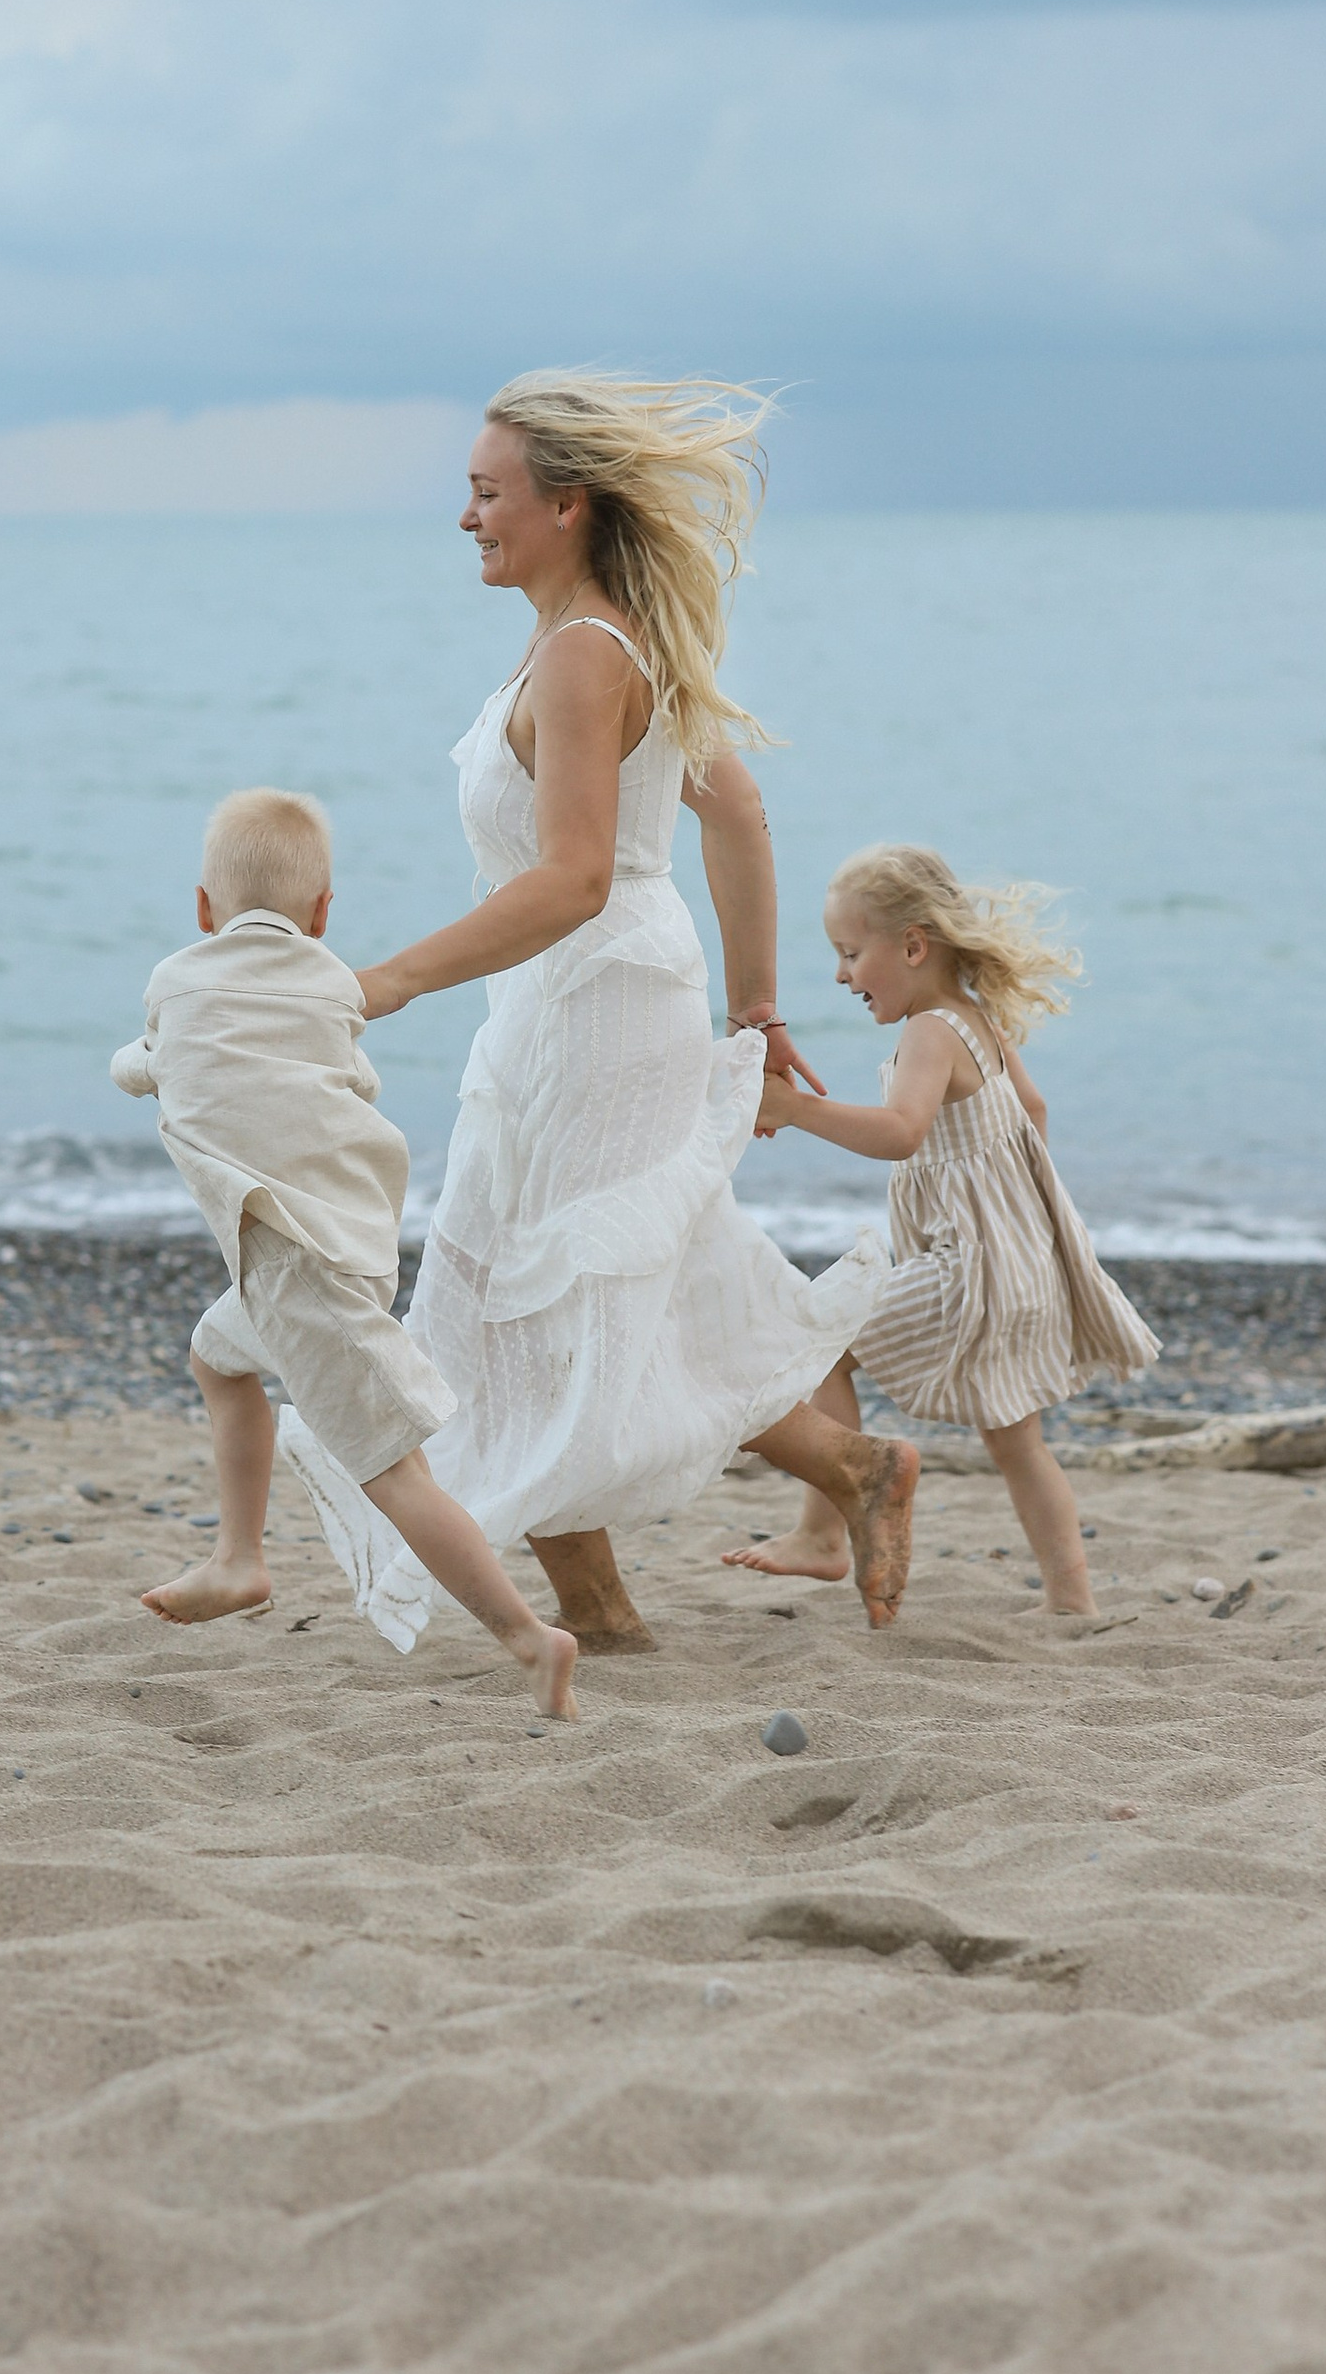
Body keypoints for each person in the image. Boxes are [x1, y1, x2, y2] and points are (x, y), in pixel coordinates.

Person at [353, 376, 914, 1647]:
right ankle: (832, 1482)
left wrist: (387, 980)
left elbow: (573, 878)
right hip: (595, 994)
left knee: (531, 1303)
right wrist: (760, 1009)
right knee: (583, 1292)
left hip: (593, 998)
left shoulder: (582, 654)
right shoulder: (616, 644)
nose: (466, 519)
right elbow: (739, 817)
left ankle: (612, 1611)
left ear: (567, 504)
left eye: (487, 495)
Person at [110, 787, 580, 1720]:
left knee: (395, 1476)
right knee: (217, 1360)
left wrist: (142, 1063)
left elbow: (144, 1065)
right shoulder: (332, 984)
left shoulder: (174, 980)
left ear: (203, 911)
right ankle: (239, 1560)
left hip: (298, 1268)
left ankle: (531, 1637)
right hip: (322, 1249)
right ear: (324, 915)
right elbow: (349, 1077)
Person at [739, 843, 1159, 1618]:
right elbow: (1032, 1112)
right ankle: (1073, 1604)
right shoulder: (978, 1020)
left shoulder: (933, 1031)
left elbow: (901, 1131)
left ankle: (823, 1536)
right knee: (1019, 1446)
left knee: (820, 1345)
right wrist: (1019, 1215)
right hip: (1013, 1263)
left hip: (966, 1268)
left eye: (849, 953)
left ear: (911, 946)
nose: (840, 975)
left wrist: (797, 1110)